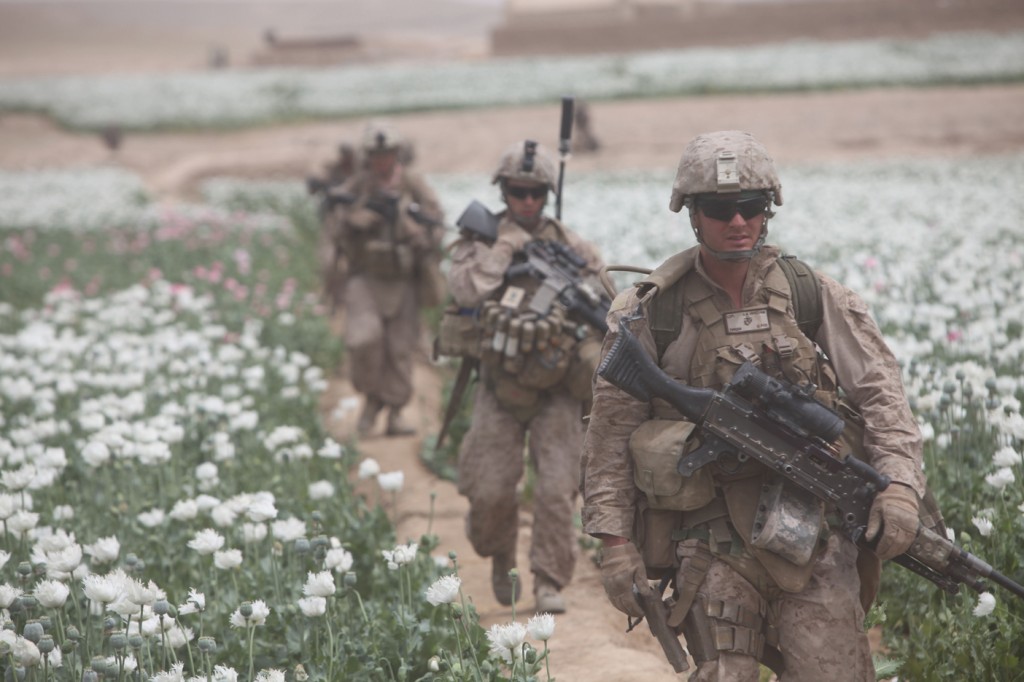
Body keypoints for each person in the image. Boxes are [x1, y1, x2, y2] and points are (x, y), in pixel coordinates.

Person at [580, 130, 926, 679]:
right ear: (692, 214)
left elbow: (881, 393)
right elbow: (610, 435)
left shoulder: (811, 293)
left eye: (751, 207)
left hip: (809, 532)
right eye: (719, 209)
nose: (737, 221)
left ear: (768, 212)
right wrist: (615, 543)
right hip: (706, 540)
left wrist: (901, 487)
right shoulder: (652, 310)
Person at [446, 139, 607, 613]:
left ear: (549, 194)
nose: (528, 203)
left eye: (537, 193)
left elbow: (606, 299)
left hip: (557, 386)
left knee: (557, 488)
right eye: (519, 192)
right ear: (504, 191)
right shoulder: (484, 238)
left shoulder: (571, 246)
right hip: (499, 384)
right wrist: (505, 248)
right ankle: (499, 553)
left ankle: (548, 580)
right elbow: (466, 289)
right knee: (492, 487)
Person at [327, 120, 446, 437]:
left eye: (387, 152)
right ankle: (370, 400)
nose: (382, 159)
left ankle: (392, 411)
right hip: (365, 277)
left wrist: (416, 231)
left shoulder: (411, 183)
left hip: (403, 279)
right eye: (376, 154)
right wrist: (356, 220)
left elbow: (437, 221)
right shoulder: (359, 185)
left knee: (400, 348)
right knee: (363, 339)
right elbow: (335, 222)